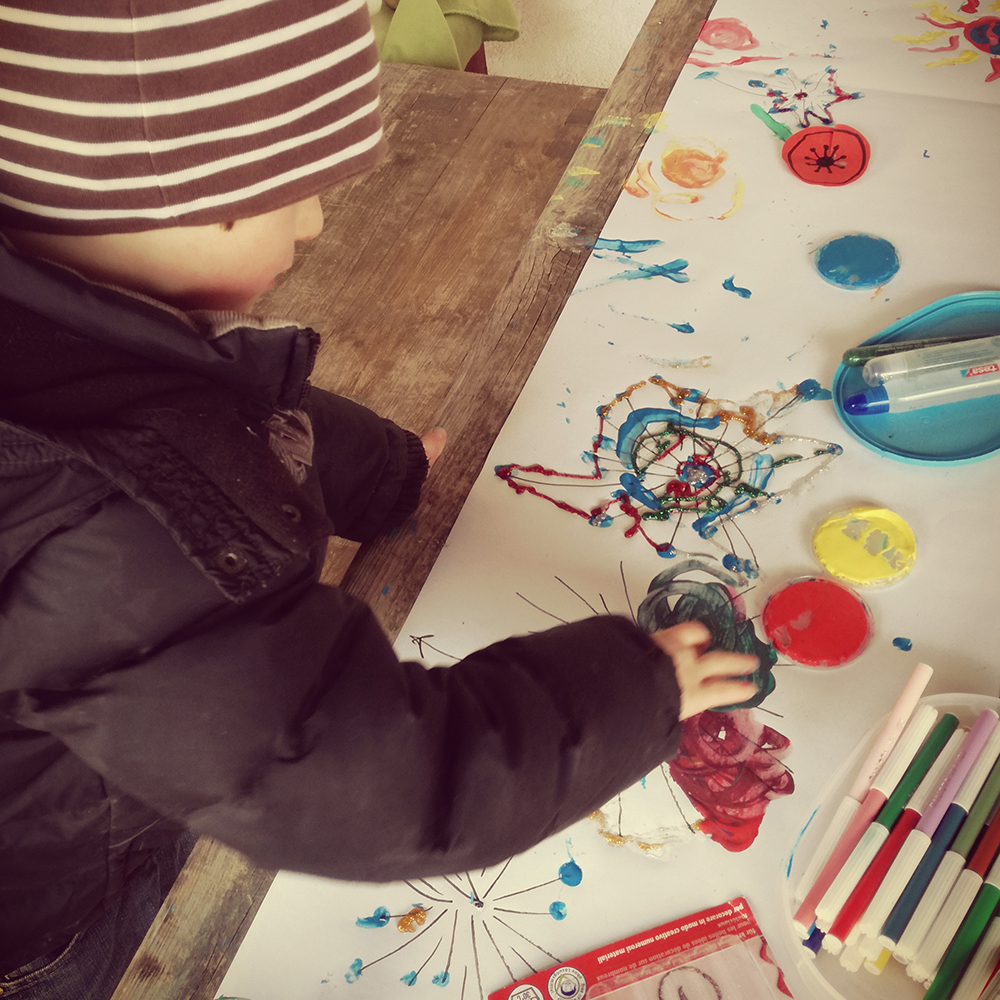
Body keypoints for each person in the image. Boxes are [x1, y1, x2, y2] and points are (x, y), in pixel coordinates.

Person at [0, 1, 757, 996]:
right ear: (163, 205)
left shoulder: (62, 334)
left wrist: (386, 471)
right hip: (50, 907)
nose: (315, 223)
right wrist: (631, 692)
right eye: (288, 193)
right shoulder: (112, 533)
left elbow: (214, 419)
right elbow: (369, 783)